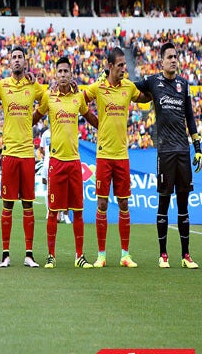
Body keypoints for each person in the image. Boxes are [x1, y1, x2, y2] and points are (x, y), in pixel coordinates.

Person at [135, 42, 202, 269]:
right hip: (164, 151)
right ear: (161, 61)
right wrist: (113, 79)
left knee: (183, 206)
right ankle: (163, 254)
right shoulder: (154, 82)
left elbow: (190, 118)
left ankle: (186, 255)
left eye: (176, 56)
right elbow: (133, 88)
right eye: (170, 57)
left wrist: (198, 147)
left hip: (184, 151)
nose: (174, 60)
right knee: (164, 202)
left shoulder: (184, 84)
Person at [84, 47, 147, 268]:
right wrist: (95, 122)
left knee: (123, 204)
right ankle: (101, 255)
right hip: (103, 155)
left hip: (122, 156)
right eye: (120, 65)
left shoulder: (129, 87)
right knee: (101, 204)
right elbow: (81, 102)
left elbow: (145, 98)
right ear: (110, 66)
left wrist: (156, 86)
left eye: (124, 64)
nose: (124, 68)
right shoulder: (98, 87)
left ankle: (125, 255)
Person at [34, 57, 98, 268]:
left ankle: (79, 256)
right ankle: (51, 256)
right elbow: (34, 117)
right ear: (55, 74)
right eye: (59, 71)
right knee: (53, 211)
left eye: (66, 71)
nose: (62, 74)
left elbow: (90, 117)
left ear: (71, 74)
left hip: (74, 162)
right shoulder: (48, 97)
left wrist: (105, 124)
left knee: (78, 211)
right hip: (56, 163)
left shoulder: (78, 98)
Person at [0, 46, 44, 268]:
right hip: (10, 153)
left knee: (28, 205)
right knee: (8, 205)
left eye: (19, 57)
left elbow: (48, 100)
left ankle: (29, 255)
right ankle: (5, 254)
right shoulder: (2, 86)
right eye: (13, 57)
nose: (16, 61)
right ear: (9, 62)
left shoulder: (33, 85)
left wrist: (35, 117)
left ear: (25, 61)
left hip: (27, 154)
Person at [40, 127, 71, 224]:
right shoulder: (45, 134)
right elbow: (41, 148)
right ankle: (49, 210)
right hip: (47, 163)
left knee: (63, 188)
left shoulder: (62, 131)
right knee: (48, 187)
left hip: (60, 161)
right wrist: (46, 157)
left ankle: (63, 214)